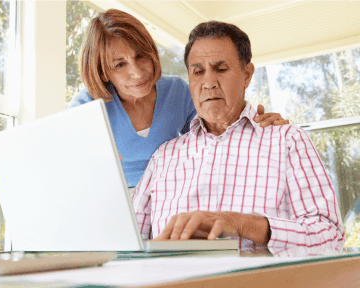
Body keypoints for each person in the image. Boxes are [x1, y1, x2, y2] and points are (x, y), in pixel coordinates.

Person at [132, 20, 345, 252]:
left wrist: (241, 223)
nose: (209, 83)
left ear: (246, 74)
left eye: (221, 69)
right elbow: (126, 245)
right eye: (198, 71)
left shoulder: (287, 141)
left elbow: (330, 238)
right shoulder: (164, 157)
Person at [68, 9, 288, 190]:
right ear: (103, 71)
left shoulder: (176, 92)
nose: (137, 72)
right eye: (120, 64)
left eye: (140, 56)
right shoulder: (86, 108)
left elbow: (217, 130)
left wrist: (257, 125)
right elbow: (71, 172)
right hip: (114, 202)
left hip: (172, 195)